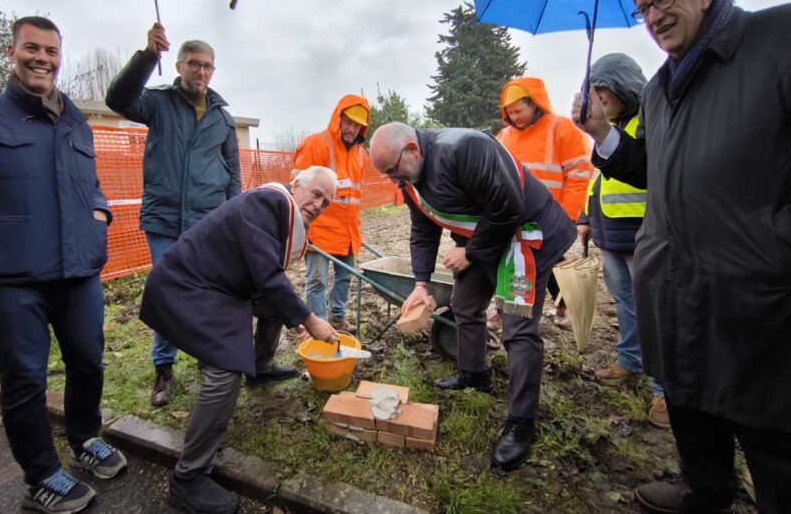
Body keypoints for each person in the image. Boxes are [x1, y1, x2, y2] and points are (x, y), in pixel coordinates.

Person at [573, 0, 791, 514]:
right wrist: (602, 135)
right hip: (672, 278)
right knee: (691, 398)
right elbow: (654, 169)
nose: (655, 16)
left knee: (771, 423)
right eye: (644, 8)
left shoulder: (776, 40)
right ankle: (708, 490)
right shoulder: (663, 88)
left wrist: (774, 248)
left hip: (758, 286)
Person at [0, 17, 126, 514]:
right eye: (31, 48)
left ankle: (84, 438)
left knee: (88, 363)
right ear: (12, 53)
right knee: (24, 381)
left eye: (51, 51)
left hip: (78, 272)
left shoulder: (76, 120)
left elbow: (88, 182)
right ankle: (41, 476)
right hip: (10, 280)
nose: (42, 58)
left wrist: (99, 214)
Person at [369, 122, 575, 471]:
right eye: (387, 174)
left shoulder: (464, 148)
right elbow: (423, 229)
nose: (393, 180)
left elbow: (508, 205)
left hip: (523, 237)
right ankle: (474, 373)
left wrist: (471, 253)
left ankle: (521, 423)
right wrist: (420, 284)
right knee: (464, 304)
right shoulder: (410, 181)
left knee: (517, 327)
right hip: (484, 240)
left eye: (393, 170)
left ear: (412, 149)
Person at [139, 166, 339, 514]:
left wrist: (293, 312)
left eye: (327, 202)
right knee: (223, 373)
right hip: (187, 287)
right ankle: (188, 477)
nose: (320, 204)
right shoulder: (266, 203)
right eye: (317, 194)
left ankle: (260, 368)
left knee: (276, 305)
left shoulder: (280, 215)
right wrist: (309, 319)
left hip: (219, 286)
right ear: (296, 185)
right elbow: (268, 274)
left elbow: (269, 284)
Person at [105, 23, 242, 407]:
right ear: (179, 65)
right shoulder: (158, 103)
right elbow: (118, 98)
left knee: (207, 293)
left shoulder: (223, 118)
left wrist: (234, 219)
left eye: (208, 66)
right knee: (167, 294)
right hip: (165, 220)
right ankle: (163, 368)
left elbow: (233, 172)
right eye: (194, 64)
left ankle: (205, 357)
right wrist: (148, 55)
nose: (201, 72)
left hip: (208, 222)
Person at [573, 53, 669, 429]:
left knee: (656, 312)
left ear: (622, 84)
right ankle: (630, 362)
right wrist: (584, 219)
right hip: (610, 235)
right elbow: (597, 182)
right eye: (591, 91)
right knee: (627, 305)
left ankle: (665, 392)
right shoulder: (607, 130)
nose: (597, 98)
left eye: (602, 89)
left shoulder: (646, 124)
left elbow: (648, 171)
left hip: (644, 234)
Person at [497, 77, 592, 327]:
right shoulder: (504, 136)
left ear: (535, 104)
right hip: (513, 216)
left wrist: (569, 216)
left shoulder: (560, 128)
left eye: (519, 110)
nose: (514, 116)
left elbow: (579, 174)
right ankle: (505, 308)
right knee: (509, 262)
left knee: (549, 264)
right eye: (510, 111)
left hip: (551, 216)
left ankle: (561, 305)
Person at [291, 95, 371, 333]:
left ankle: (337, 317)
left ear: (363, 128)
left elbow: (354, 196)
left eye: (357, 125)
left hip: (347, 231)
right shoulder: (318, 144)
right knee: (317, 280)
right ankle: (319, 324)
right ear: (338, 119)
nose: (351, 128)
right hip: (320, 230)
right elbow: (298, 188)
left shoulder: (361, 155)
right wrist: (304, 228)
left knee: (345, 277)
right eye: (347, 121)